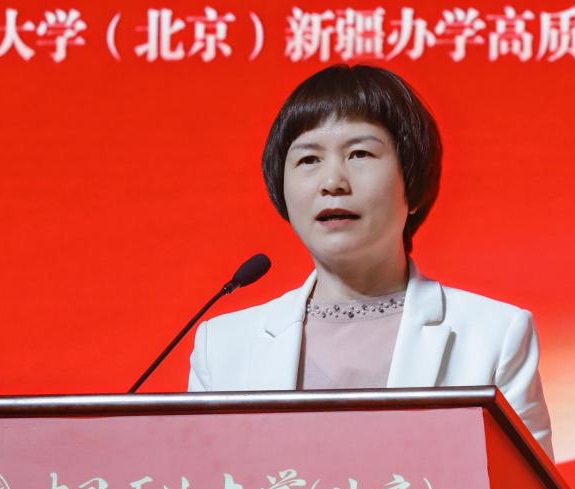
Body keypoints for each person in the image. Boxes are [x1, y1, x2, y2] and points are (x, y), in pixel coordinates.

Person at [187, 64, 553, 460]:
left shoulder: (493, 336)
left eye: (359, 154)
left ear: (412, 182)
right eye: (308, 159)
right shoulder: (222, 346)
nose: (333, 182)